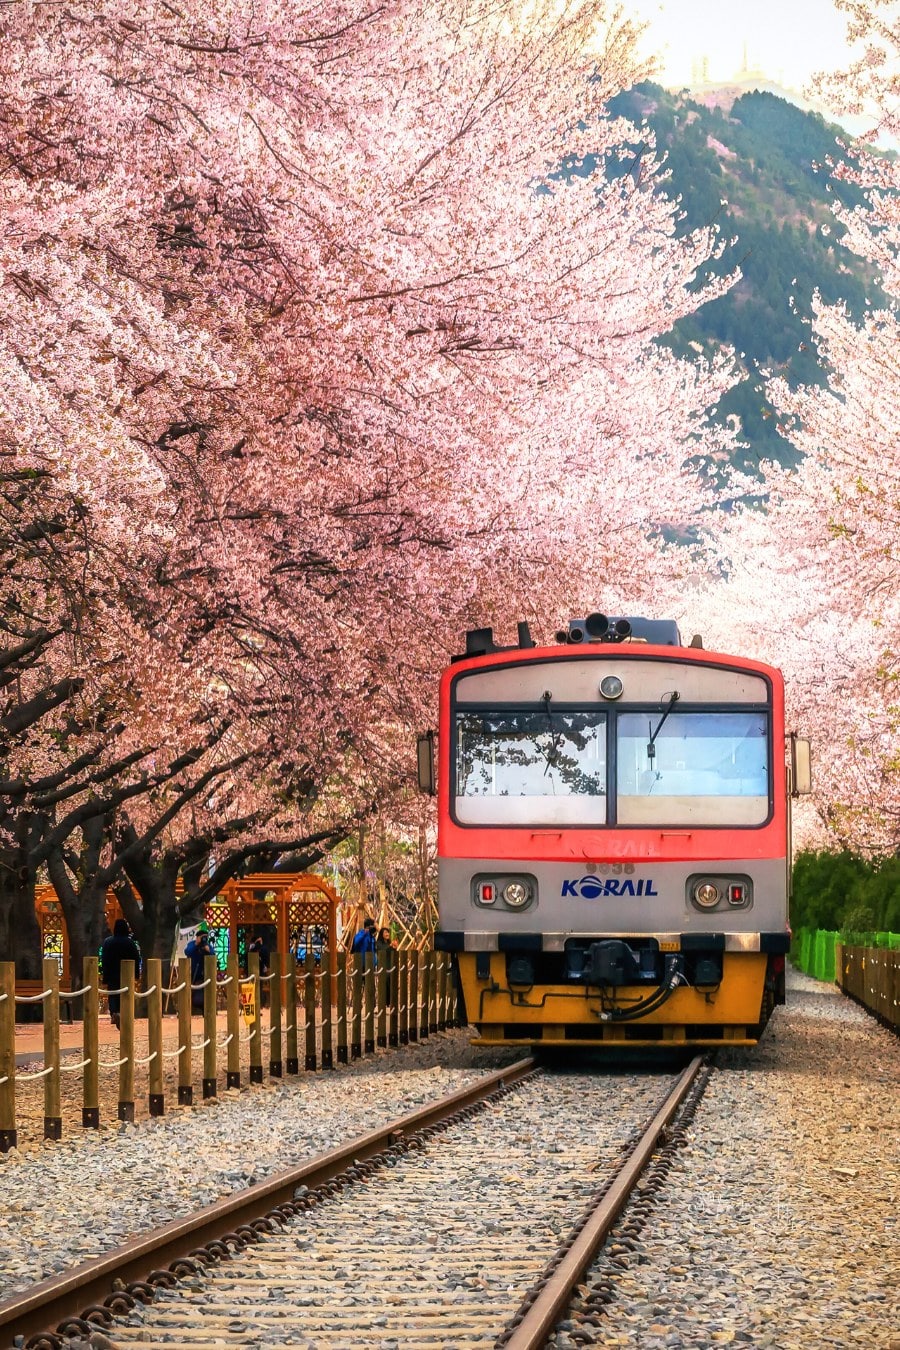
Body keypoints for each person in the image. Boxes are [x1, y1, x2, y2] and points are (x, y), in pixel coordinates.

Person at [100, 919, 142, 1029]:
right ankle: (124, 1013)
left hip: (112, 974)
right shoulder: (129, 943)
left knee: (113, 994)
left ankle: (114, 1012)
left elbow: (104, 960)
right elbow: (136, 959)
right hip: (127, 974)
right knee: (126, 994)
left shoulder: (108, 942)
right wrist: (137, 974)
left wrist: (104, 977)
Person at [185, 924, 214, 1010]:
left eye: (205, 937)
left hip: (204, 975)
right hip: (192, 973)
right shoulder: (192, 944)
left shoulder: (207, 946)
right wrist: (196, 944)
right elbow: (187, 952)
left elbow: (213, 956)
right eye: (202, 937)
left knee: (203, 995)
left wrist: (207, 949)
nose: (204, 939)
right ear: (197, 937)